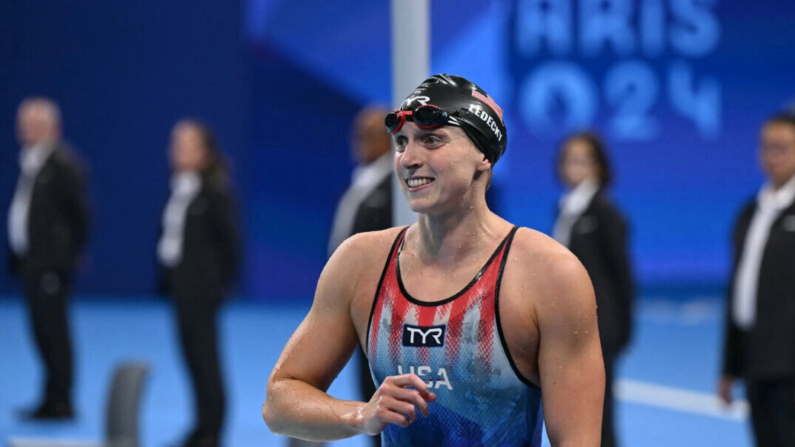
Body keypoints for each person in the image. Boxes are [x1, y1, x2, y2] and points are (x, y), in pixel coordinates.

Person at [262, 74, 604, 446]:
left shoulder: (549, 275)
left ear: (483, 156)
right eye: (402, 142)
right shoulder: (361, 264)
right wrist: (361, 415)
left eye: (432, 140)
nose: (408, 159)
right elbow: (279, 400)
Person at [309, 105, 393, 447]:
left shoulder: (397, 185)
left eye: (369, 135)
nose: (359, 142)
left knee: (378, 385)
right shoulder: (364, 179)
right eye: (357, 134)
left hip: (379, 304)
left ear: (389, 140)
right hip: (352, 302)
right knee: (363, 384)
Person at [157, 120, 241, 447]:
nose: (176, 151)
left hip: (202, 293)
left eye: (185, 145)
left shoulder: (216, 192)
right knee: (191, 357)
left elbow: (231, 244)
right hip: (180, 289)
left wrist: (218, 286)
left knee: (206, 360)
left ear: (205, 152)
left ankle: (212, 429)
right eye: (174, 145)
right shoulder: (181, 187)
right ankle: (200, 423)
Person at [6, 97, 90, 420]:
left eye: (31, 124)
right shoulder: (31, 161)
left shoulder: (63, 165)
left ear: (51, 127)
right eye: (22, 123)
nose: (23, 130)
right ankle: (50, 397)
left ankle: (62, 401)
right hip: (32, 262)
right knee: (40, 330)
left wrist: (66, 256)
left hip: (52, 265)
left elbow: (81, 215)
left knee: (54, 331)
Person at [719, 113, 795, 447]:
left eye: (782, 147)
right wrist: (729, 366)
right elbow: (740, 290)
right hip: (756, 359)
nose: (772, 156)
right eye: (766, 147)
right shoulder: (749, 212)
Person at [553, 132, 634, 447]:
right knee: (576, 414)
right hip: (571, 329)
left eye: (583, 160)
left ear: (599, 167)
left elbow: (622, 277)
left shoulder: (606, 214)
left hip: (599, 330)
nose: (574, 167)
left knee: (599, 415)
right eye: (568, 159)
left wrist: (621, 331)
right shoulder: (565, 210)